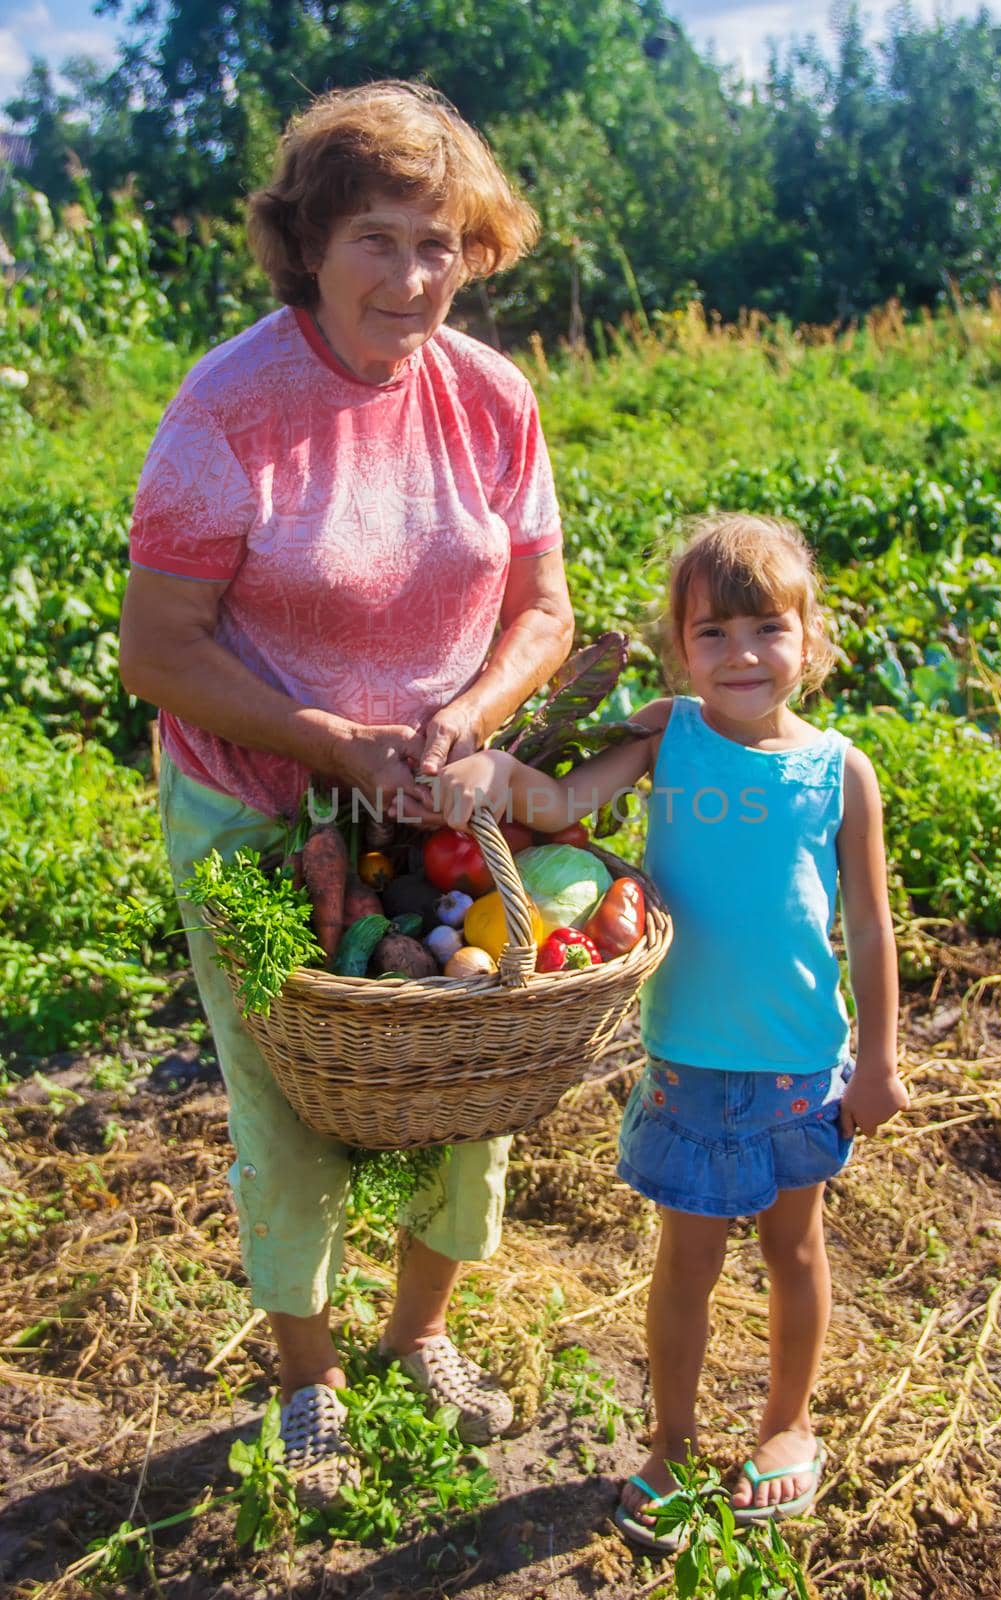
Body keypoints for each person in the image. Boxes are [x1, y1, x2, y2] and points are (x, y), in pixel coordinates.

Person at [118, 80, 574, 1507]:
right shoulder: (232, 406)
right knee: (288, 1097)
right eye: (377, 239)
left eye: (441, 243)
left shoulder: (490, 396)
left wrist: (463, 720)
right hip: (257, 805)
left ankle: (421, 1332)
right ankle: (307, 1374)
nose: (413, 276)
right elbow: (157, 648)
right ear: (307, 242)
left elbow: (543, 610)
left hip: (433, 805)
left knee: (466, 1067)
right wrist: (330, 742)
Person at [417, 513, 909, 1548]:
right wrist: (499, 779)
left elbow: (866, 924)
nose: (740, 655)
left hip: (798, 1061)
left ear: (808, 641)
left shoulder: (838, 769)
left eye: (766, 630)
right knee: (684, 1260)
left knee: (794, 1246)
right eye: (711, 633)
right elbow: (563, 803)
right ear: (678, 648)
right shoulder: (665, 736)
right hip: (687, 1056)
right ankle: (670, 1444)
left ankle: (784, 1426)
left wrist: (877, 1060)